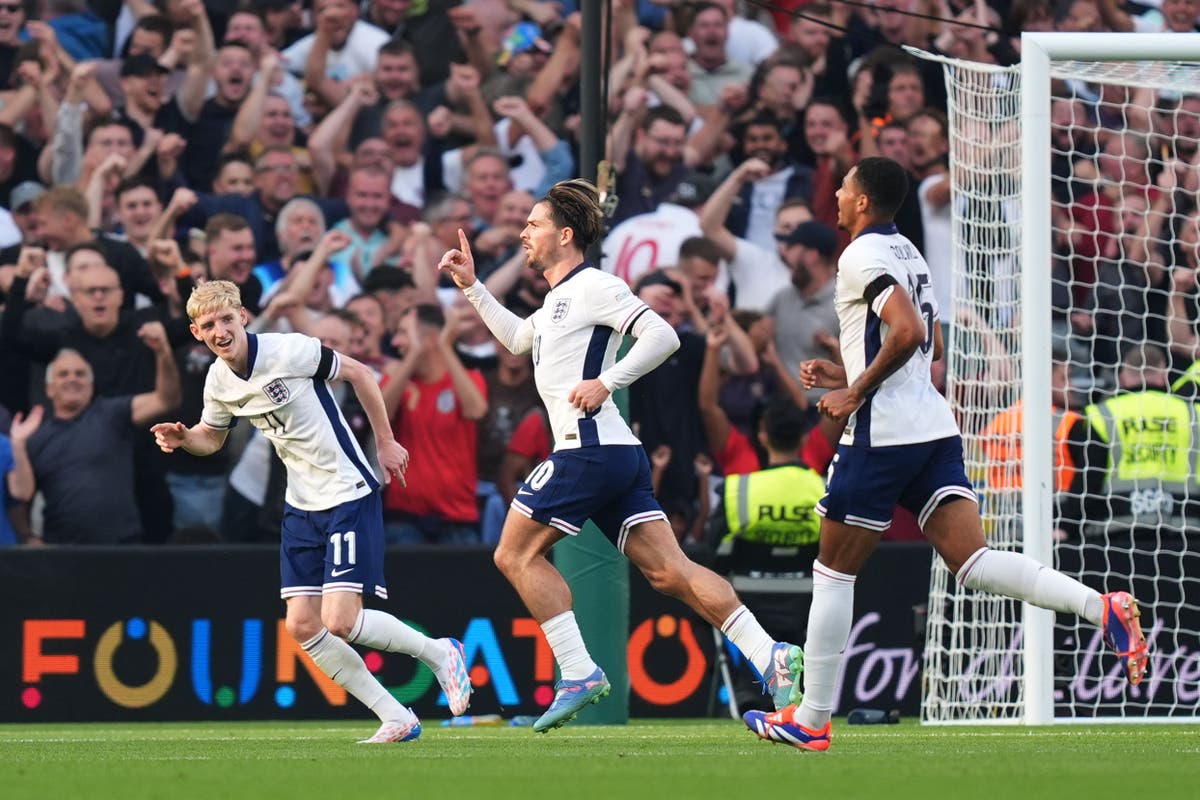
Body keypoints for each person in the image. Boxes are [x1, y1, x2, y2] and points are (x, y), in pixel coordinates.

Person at [743, 157, 1148, 751]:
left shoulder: (860, 255)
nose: (836, 194)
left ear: (861, 202)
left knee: (832, 573)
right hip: (931, 427)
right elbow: (918, 348)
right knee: (975, 562)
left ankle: (811, 718)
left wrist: (854, 389)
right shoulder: (907, 250)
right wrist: (845, 368)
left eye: (845, 186)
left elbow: (906, 333)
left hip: (882, 436)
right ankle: (1101, 608)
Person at [437, 179, 802, 733]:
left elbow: (663, 336)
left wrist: (607, 381)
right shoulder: (559, 298)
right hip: (615, 454)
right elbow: (517, 340)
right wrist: (472, 287)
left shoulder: (595, 286)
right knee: (669, 573)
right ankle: (769, 653)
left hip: (588, 449)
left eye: (533, 224)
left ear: (564, 235)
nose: (522, 233)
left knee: (514, 555)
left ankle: (579, 671)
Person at [150, 280, 471, 744]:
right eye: (208, 325)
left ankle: (441, 652)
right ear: (197, 333)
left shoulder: (289, 351)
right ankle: (395, 716)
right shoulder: (218, 380)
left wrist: (384, 441)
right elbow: (211, 436)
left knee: (340, 620)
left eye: (226, 319)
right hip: (301, 503)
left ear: (242, 316)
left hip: (346, 489)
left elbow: (360, 373)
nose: (220, 330)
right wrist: (184, 439)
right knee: (302, 624)